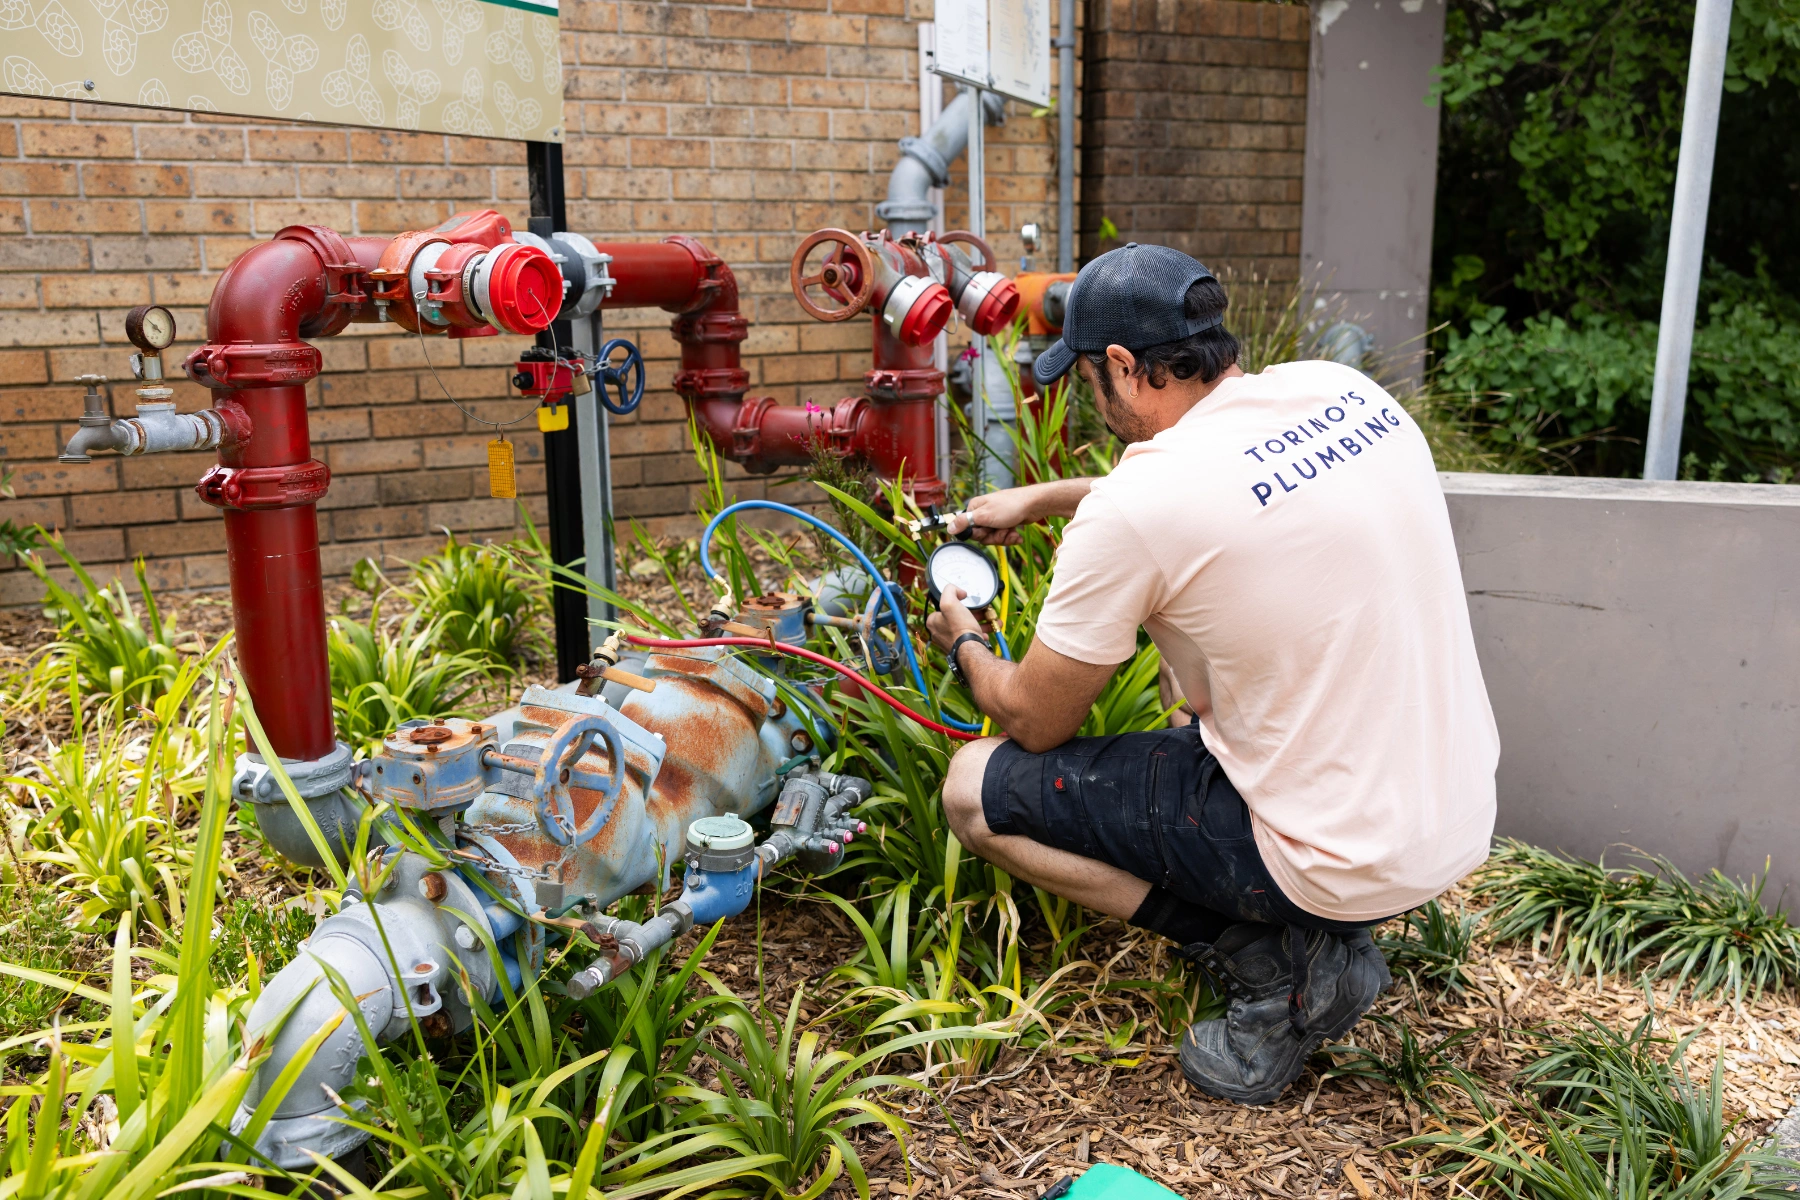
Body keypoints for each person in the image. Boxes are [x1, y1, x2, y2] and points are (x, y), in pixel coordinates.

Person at [925, 243, 1499, 1105]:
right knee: (1190, 696)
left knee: (974, 788)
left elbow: (1035, 724)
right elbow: (1224, 488)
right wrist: (1042, 499)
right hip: (1452, 820)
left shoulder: (1140, 511)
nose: (1089, 393)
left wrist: (964, 638)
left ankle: (1275, 971)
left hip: (1336, 858)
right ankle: (1315, 936)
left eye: (1087, 374)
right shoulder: (1340, 393)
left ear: (1122, 365)